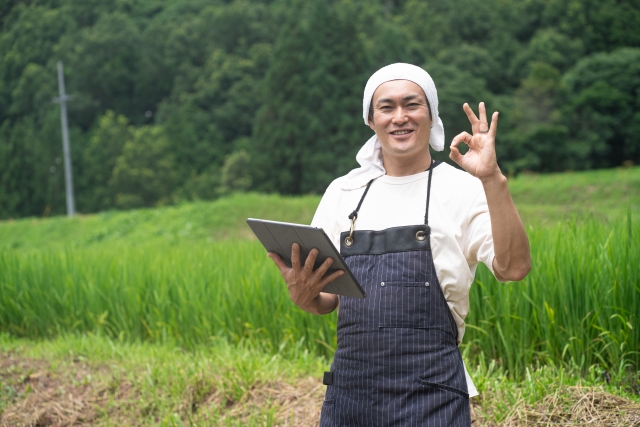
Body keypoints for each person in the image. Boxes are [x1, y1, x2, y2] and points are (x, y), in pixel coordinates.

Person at [268, 63, 531, 426]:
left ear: (431, 115)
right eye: (386, 107)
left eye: (412, 104)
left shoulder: (464, 189)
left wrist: (493, 179)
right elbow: (327, 299)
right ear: (371, 120)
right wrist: (304, 297)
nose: (400, 117)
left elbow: (514, 267)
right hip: (349, 397)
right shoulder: (344, 193)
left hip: (433, 397)